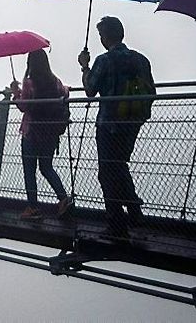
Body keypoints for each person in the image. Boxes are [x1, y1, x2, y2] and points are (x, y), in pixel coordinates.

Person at [78, 16, 154, 238]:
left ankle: (116, 224)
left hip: (108, 124)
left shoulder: (104, 60)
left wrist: (85, 67)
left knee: (107, 172)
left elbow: (91, 90)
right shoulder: (141, 60)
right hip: (131, 123)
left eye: (101, 35)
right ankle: (134, 211)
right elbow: (151, 92)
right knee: (119, 165)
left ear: (105, 37)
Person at [12, 49, 72, 220]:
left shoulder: (29, 82)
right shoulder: (55, 81)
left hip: (31, 132)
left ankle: (32, 207)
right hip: (49, 132)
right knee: (46, 167)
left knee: (29, 170)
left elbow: (23, 105)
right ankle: (63, 198)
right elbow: (64, 92)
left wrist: (15, 92)